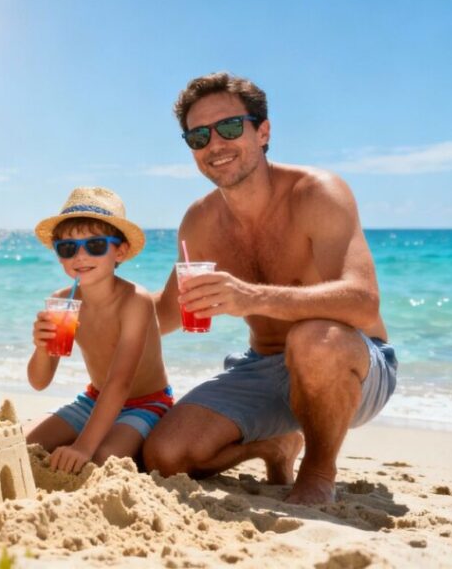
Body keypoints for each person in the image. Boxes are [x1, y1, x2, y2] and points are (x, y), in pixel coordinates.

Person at [143, 72, 397, 504]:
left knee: (314, 338)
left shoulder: (317, 193)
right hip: (260, 367)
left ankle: (318, 473)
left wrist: (251, 296)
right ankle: (274, 444)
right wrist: (100, 300)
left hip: (349, 362)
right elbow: (166, 312)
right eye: (198, 136)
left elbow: (363, 301)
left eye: (228, 127)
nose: (215, 145)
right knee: (164, 456)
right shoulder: (200, 221)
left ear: (263, 131)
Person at [25, 187, 173, 474]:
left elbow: (120, 382)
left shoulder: (135, 301)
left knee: (102, 458)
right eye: (68, 248)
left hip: (146, 402)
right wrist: (41, 346)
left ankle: (130, 442)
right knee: (25, 446)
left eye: (94, 246)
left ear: (120, 250)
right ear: (59, 256)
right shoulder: (62, 301)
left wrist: (83, 446)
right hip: (94, 399)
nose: (80, 256)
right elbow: (39, 382)